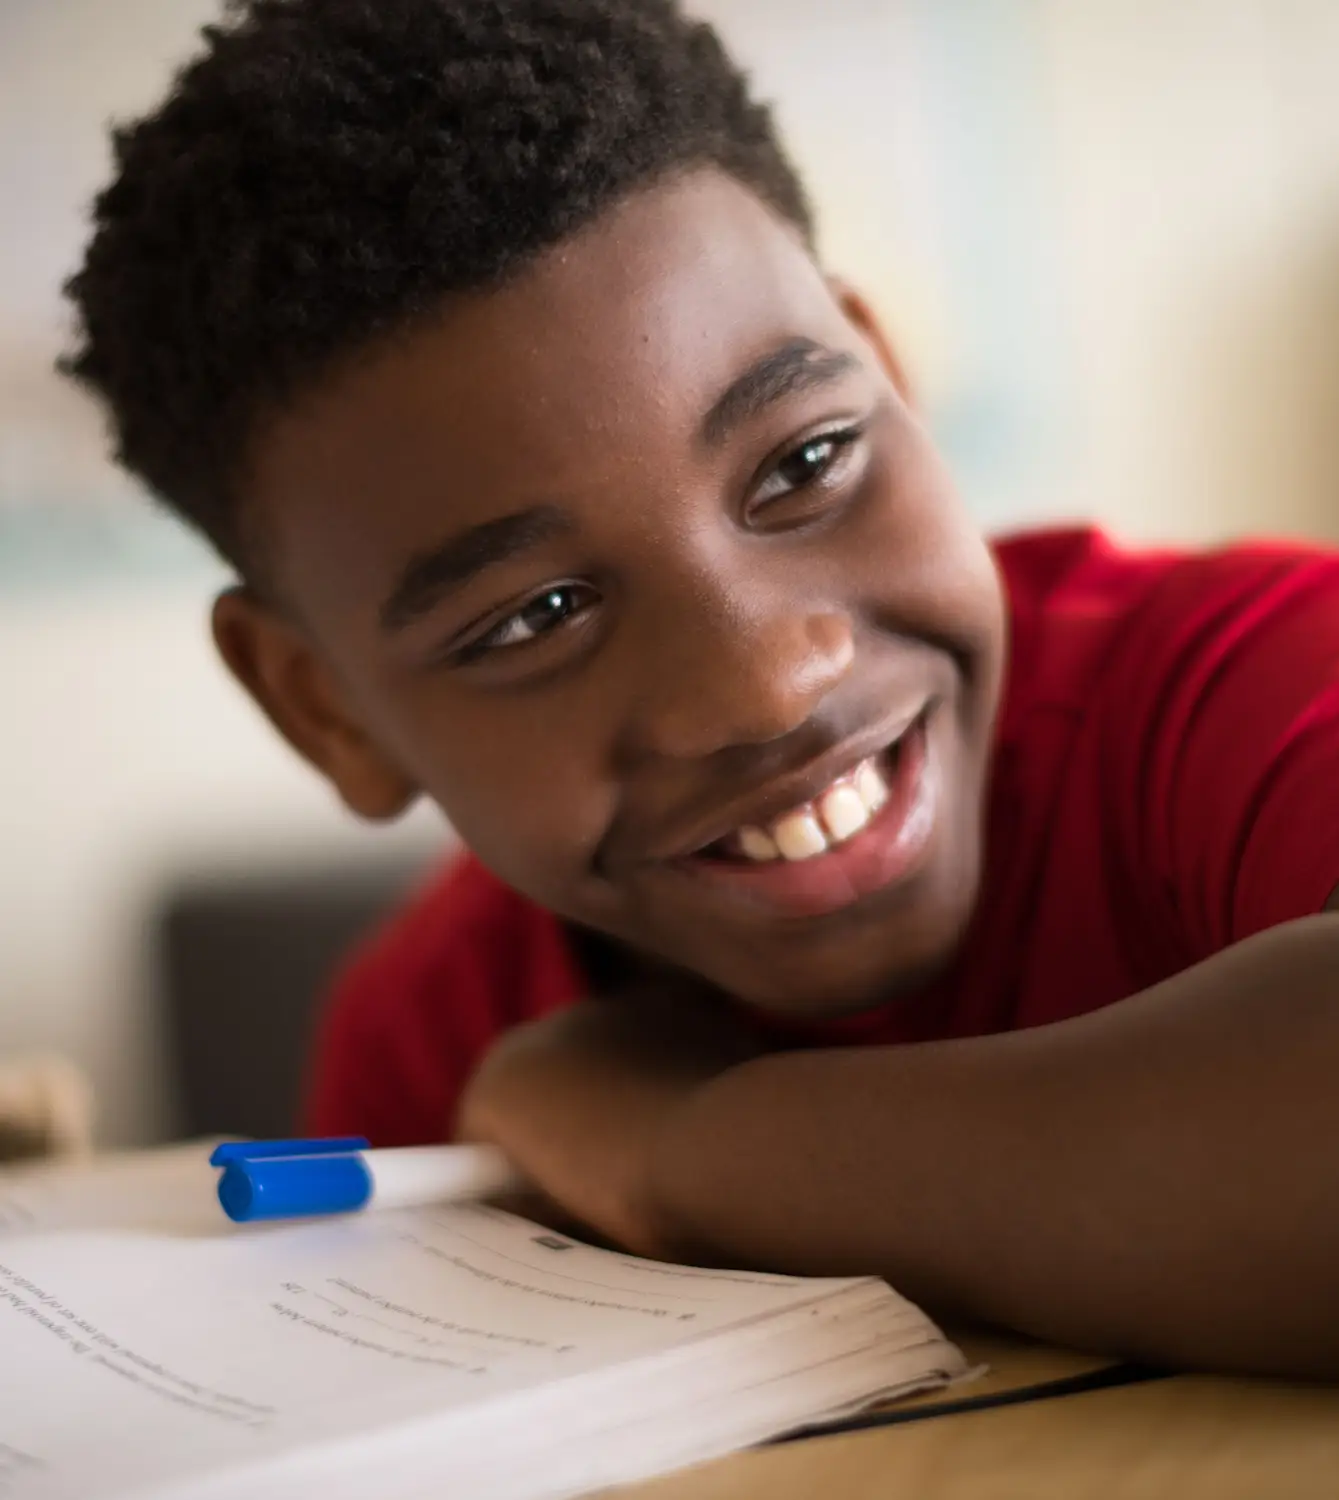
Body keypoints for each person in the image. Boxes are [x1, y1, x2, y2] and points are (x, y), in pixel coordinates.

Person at [64, 0, 1339, 1377]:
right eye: (534, 616)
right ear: (322, 708)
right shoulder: (431, 1038)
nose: (765, 684)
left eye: (802, 465)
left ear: (887, 372)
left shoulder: (1244, 682)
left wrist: (667, 1145)